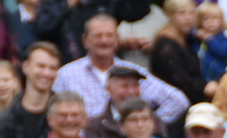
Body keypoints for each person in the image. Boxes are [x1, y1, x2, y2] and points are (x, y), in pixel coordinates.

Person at [52, 14, 187, 126]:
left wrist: (146, 124)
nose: (104, 41)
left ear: (117, 39)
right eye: (98, 36)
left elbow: (178, 101)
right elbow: (53, 113)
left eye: (109, 35)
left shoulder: (133, 72)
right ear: (85, 40)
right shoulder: (66, 74)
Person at [149, 0, 209, 106]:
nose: (188, 18)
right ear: (170, 15)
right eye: (182, 13)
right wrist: (206, 89)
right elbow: (181, 82)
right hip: (177, 106)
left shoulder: (186, 39)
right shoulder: (166, 46)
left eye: (191, 13)